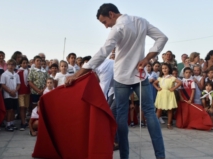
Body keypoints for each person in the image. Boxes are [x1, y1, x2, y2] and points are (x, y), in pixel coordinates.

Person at [65, 3, 168, 159]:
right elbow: (162, 38)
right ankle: (160, 156)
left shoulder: (117, 29)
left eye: (105, 22)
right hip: (140, 75)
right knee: (150, 113)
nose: (106, 26)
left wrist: (77, 74)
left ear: (111, 14)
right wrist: (147, 58)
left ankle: (124, 157)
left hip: (121, 77)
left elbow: (102, 53)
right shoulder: (141, 21)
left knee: (121, 115)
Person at [153, 63, 182, 129]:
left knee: (170, 109)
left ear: (169, 69)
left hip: (169, 94)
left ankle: (169, 124)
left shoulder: (172, 77)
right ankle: (155, 123)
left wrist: (173, 88)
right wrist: (158, 88)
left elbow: (180, 82)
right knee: (159, 109)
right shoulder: (160, 77)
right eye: (163, 68)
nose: (164, 69)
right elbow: (154, 83)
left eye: (166, 68)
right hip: (161, 94)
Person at [0, 59, 20, 132]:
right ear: (7, 65)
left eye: (13, 65)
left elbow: (18, 84)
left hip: (15, 94)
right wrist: (10, 91)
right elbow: (2, 84)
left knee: (13, 110)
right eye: (9, 64)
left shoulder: (16, 74)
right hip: (8, 95)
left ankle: (12, 123)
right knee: (9, 110)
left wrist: (15, 91)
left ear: (15, 66)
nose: (11, 66)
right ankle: (8, 124)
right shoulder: (4, 74)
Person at [17, 57, 30, 131]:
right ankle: (22, 122)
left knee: (25, 108)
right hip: (21, 92)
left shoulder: (29, 71)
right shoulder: (18, 72)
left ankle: (24, 121)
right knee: (22, 107)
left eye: (26, 63)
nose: (25, 64)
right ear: (21, 64)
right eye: (23, 63)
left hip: (27, 92)